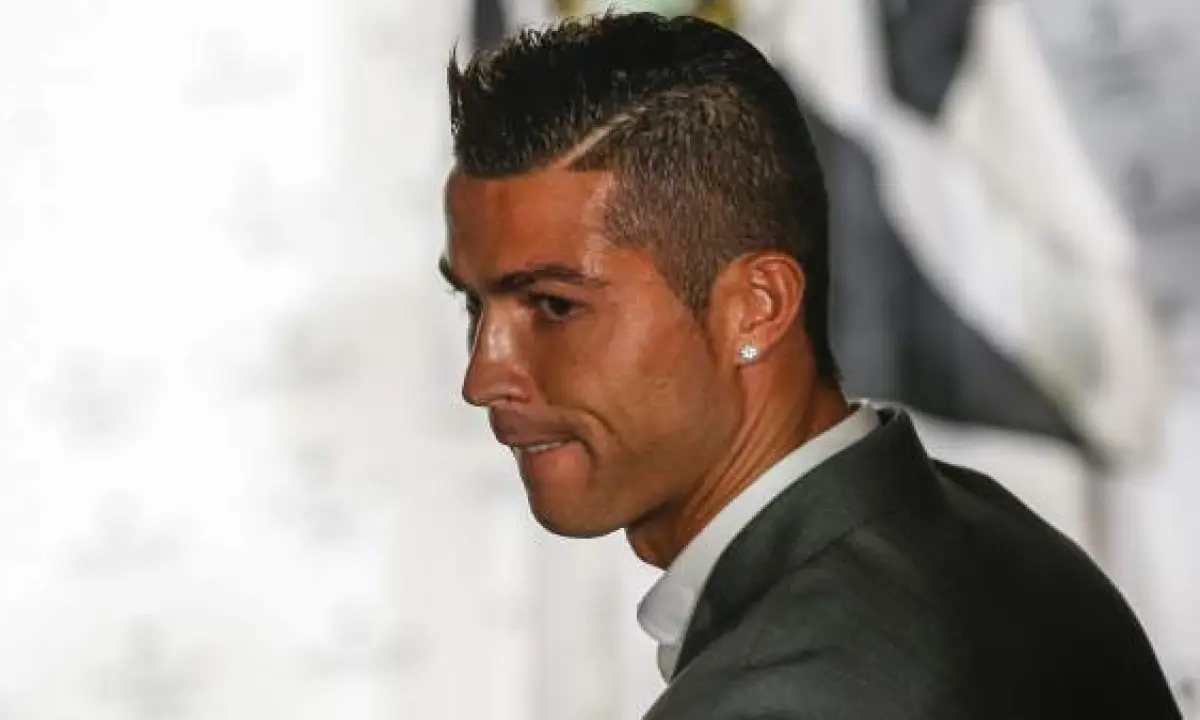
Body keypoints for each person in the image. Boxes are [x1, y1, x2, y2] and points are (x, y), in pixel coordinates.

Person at [437, 11, 1182, 719]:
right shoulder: (988, 535)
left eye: (553, 306)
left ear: (754, 308)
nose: (483, 379)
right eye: (474, 303)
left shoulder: (775, 697)